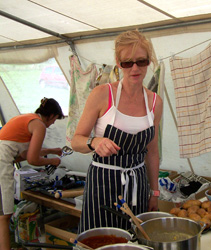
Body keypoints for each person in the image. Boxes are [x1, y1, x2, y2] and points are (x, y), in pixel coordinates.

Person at [71, 30, 163, 232]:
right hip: (103, 185)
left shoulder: (155, 102)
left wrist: (154, 191)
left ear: (149, 61)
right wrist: (94, 142)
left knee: (134, 240)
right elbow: (76, 140)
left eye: (141, 61)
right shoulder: (102, 94)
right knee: (99, 240)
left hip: (137, 185)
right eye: (127, 63)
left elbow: (153, 151)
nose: (135, 68)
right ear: (118, 62)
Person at [0, 97, 64, 250]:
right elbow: (32, 159)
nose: (53, 124)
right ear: (52, 115)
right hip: (1, 164)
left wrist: (51, 151)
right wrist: (52, 161)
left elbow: (24, 153)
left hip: (4, 160)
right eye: (55, 120)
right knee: (4, 216)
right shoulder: (39, 126)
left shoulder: (27, 119)